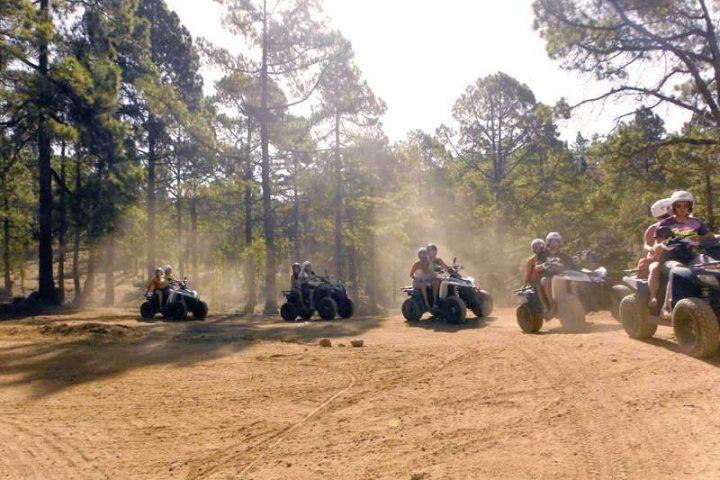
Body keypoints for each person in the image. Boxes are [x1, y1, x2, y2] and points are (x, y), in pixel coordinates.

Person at [652, 191, 714, 316]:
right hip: (670, 259)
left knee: (713, 267)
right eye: (679, 206)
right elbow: (658, 243)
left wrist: (700, 239)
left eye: (686, 205)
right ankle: (667, 307)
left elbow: (709, 236)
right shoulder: (665, 224)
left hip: (692, 256)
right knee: (678, 271)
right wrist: (659, 246)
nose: (682, 209)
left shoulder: (696, 222)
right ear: (673, 207)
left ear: (690, 206)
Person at [537, 232, 576, 313]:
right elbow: (537, 268)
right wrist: (544, 265)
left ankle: (577, 301)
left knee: (576, 280)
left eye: (556, 241)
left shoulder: (564, 255)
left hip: (562, 276)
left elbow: (573, 266)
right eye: (552, 241)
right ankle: (552, 304)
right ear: (548, 242)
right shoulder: (542, 254)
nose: (554, 243)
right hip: (548, 276)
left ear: (559, 243)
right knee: (546, 280)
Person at [636, 198, 672, 279]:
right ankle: (654, 292)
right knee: (654, 270)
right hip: (657, 258)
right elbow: (646, 245)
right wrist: (653, 249)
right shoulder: (653, 228)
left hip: (678, 256)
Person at [524, 238, 549, 309]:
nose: (539, 249)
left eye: (540, 247)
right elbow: (528, 273)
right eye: (536, 247)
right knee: (539, 287)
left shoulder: (547, 257)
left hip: (545, 278)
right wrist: (525, 285)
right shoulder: (531, 260)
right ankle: (545, 305)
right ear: (533, 249)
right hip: (535, 281)